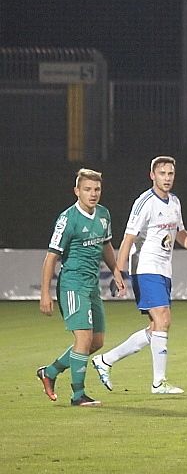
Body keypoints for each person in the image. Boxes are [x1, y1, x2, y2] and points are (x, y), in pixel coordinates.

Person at [91, 156, 187, 395]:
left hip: (164, 270)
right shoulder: (144, 202)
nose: (167, 178)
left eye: (170, 174)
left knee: (157, 326)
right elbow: (128, 239)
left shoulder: (174, 202)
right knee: (163, 320)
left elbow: (180, 231)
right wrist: (119, 272)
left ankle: (106, 360)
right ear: (152, 175)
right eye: (162, 173)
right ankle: (159, 382)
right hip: (145, 268)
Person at [36, 168, 126, 407]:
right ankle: (78, 395)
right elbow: (51, 258)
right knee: (83, 339)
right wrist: (45, 294)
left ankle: (50, 372)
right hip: (72, 285)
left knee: (96, 342)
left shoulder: (104, 214)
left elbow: (106, 245)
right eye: (87, 189)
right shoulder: (68, 219)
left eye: (97, 189)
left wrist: (116, 270)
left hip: (91, 286)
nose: (93, 193)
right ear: (77, 191)